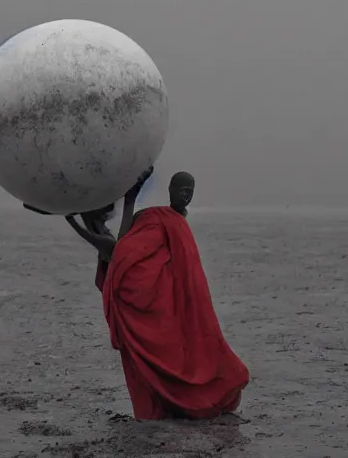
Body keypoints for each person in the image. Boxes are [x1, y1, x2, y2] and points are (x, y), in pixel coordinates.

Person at [68, 170, 249, 420]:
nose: (186, 195)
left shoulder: (174, 222)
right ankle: (172, 402)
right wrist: (131, 196)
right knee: (163, 358)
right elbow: (125, 248)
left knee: (183, 355)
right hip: (148, 300)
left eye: (190, 191)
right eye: (182, 189)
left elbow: (182, 273)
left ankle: (178, 401)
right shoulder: (154, 219)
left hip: (170, 305)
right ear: (170, 191)